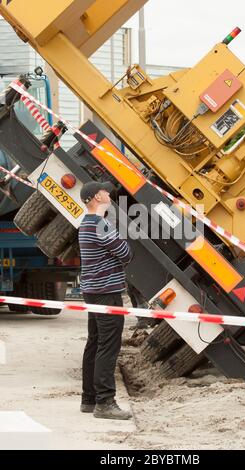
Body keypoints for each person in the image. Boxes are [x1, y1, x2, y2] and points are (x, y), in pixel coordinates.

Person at [78, 180, 132, 420]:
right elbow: (126, 254)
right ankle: (105, 402)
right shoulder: (101, 225)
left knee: (95, 342)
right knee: (108, 347)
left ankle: (88, 399)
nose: (108, 193)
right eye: (104, 191)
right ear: (95, 197)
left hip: (92, 290)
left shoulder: (85, 224)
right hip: (106, 292)